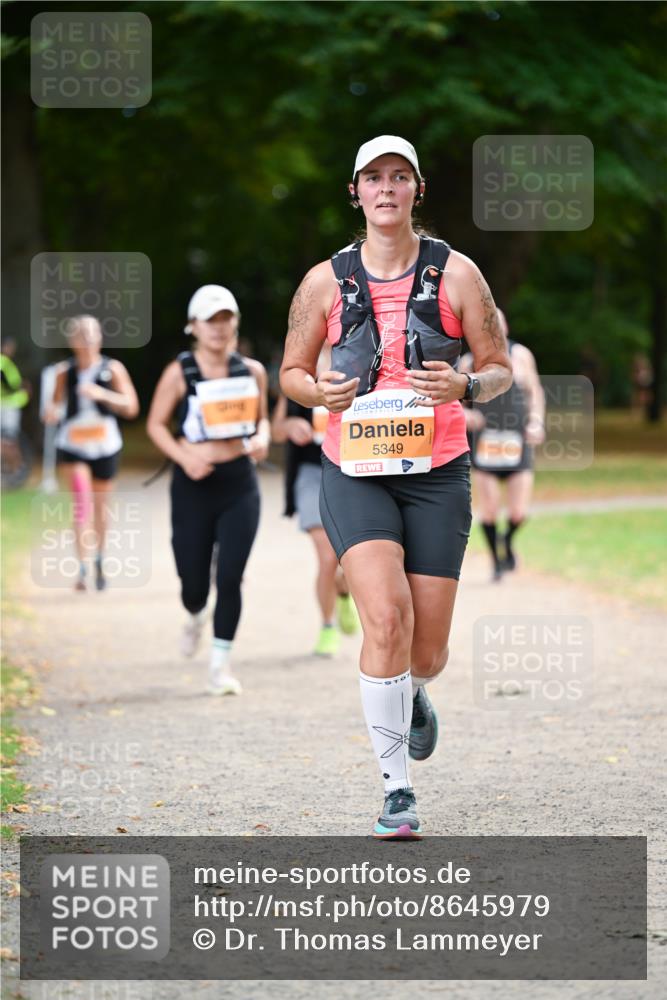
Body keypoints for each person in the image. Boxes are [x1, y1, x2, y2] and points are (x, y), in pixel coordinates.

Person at [280, 135, 512, 838]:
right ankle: (396, 790)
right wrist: (317, 393)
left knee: (426, 651)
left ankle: (411, 693)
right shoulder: (324, 281)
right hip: (354, 468)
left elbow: (497, 365)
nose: (386, 188)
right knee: (383, 618)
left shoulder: (459, 274)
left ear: (417, 190)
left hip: (437, 471)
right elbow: (290, 373)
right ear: (355, 192)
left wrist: (466, 382)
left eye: (398, 177)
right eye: (372, 178)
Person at [146, 284, 270, 696]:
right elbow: (155, 425)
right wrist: (185, 459)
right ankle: (196, 615)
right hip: (194, 485)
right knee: (194, 583)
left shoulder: (251, 371)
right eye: (210, 320)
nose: (219, 328)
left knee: (231, 576)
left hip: (239, 484)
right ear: (193, 326)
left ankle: (220, 666)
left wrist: (262, 439)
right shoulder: (179, 372)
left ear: (235, 323)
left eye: (225, 318)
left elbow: (262, 420)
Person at [272, 346, 359, 657]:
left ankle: (344, 593)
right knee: (327, 558)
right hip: (311, 473)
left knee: (349, 562)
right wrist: (289, 427)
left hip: (353, 471)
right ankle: (327, 626)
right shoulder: (300, 371)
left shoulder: (359, 359)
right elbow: (276, 429)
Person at [42, 316, 139, 591]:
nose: (86, 339)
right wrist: (51, 412)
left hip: (105, 446)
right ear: (71, 341)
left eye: (91, 333)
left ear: (100, 337)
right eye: (80, 335)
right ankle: (82, 568)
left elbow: (131, 406)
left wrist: (101, 394)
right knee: (81, 503)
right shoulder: (64, 372)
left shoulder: (113, 369)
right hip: (73, 446)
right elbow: (53, 407)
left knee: (100, 506)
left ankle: (99, 557)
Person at [460, 310, 545, 580]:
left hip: (517, 441)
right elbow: (454, 404)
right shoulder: (469, 361)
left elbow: (535, 392)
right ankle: (496, 561)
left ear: (506, 325)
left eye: (498, 322)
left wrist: (537, 422)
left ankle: (507, 542)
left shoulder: (521, 356)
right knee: (490, 509)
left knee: (519, 512)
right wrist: (466, 414)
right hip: (486, 444)